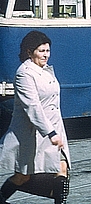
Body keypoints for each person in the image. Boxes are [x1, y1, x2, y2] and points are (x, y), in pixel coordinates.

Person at [0, 31, 70, 204]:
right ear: (29, 52)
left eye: (47, 50)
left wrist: (56, 131)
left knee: (62, 169)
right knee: (22, 176)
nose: (46, 55)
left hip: (54, 128)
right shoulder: (24, 73)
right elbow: (33, 107)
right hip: (34, 132)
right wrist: (51, 133)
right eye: (41, 51)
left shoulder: (45, 70)